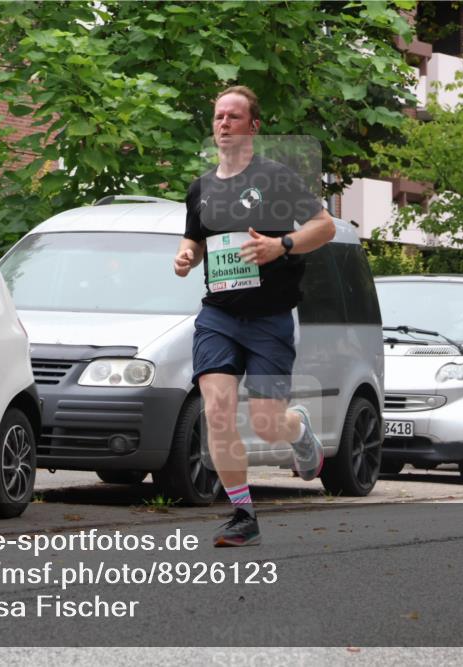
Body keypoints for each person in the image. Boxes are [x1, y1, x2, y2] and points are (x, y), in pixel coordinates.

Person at [173, 85, 336, 547]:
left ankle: (298, 429)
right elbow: (194, 240)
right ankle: (242, 514)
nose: (223, 124)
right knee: (218, 411)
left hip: (270, 317)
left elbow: (323, 227)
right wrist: (185, 256)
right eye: (218, 117)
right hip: (218, 316)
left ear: (253, 127)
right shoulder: (200, 188)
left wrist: (279, 245)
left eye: (234, 117)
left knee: (267, 422)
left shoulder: (276, 179)